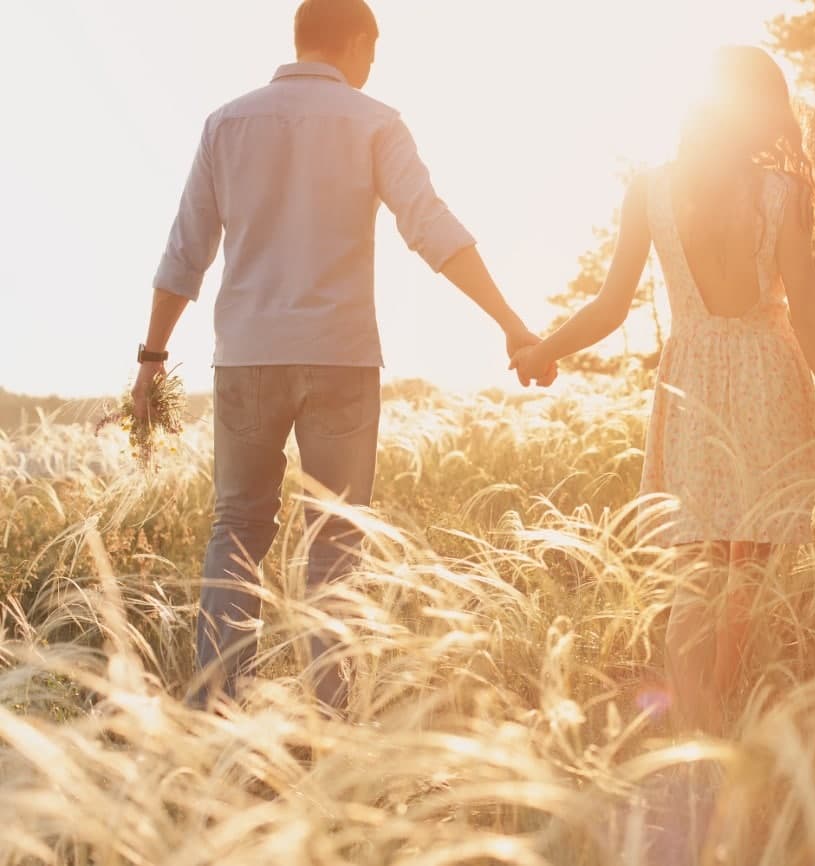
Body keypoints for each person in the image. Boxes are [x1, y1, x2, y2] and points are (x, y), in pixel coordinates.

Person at [130, 0, 553, 714]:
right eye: (370, 56)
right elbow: (432, 228)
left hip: (248, 358)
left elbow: (185, 252)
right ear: (356, 43)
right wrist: (510, 322)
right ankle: (331, 723)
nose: (367, 73)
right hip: (340, 356)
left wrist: (151, 359)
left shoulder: (226, 123)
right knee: (335, 543)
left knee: (235, 529)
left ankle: (214, 714)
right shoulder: (374, 121)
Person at [510, 46, 815, 732]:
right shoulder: (780, 194)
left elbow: (609, 306)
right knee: (744, 573)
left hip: (693, 382)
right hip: (769, 381)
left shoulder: (652, 189)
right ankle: (716, 718)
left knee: (696, 571)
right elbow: (808, 319)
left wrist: (545, 350)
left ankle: (696, 724)